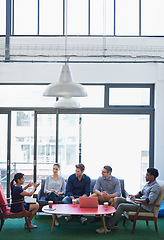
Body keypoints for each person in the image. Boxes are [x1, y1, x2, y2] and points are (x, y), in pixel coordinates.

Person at [96, 167, 162, 234]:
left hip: (144, 207)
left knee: (122, 206)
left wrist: (136, 200)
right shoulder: (148, 184)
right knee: (118, 199)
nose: (145, 176)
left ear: (152, 176)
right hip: (138, 203)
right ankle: (115, 224)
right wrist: (133, 196)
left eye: (147, 175)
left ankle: (108, 227)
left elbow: (149, 201)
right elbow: (140, 193)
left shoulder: (155, 187)